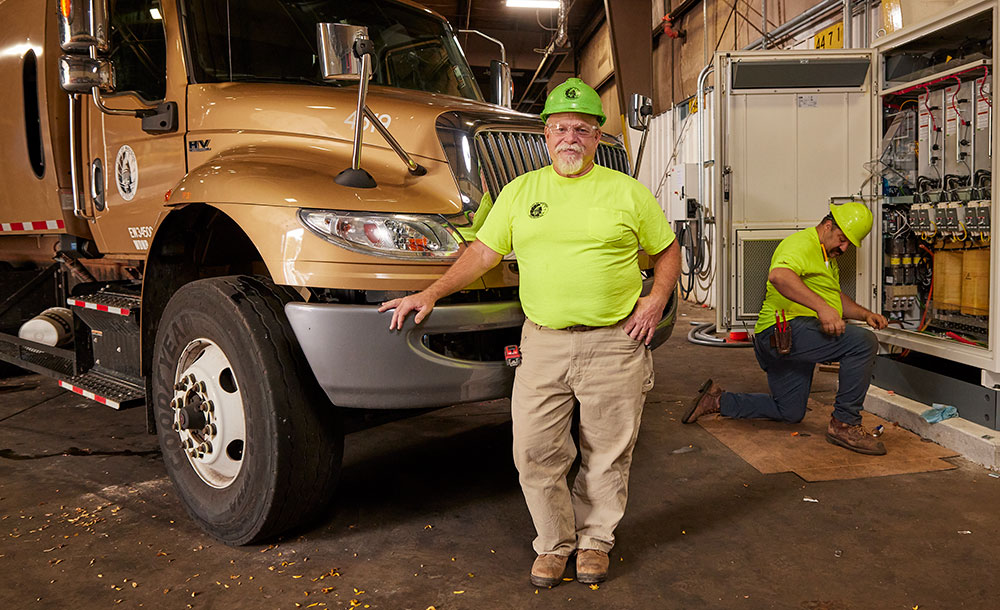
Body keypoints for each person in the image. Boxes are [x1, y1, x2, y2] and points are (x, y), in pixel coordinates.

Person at [379, 77, 680, 587]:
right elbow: (483, 252)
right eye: (561, 128)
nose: (570, 137)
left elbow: (667, 248)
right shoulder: (521, 192)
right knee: (534, 451)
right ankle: (555, 542)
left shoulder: (627, 193)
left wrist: (655, 300)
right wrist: (431, 292)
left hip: (615, 342)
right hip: (543, 341)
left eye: (582, 129)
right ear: (546, 135)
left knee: (608, 451)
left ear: (596, 138)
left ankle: (594, 541)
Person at [682, 202, 889, 455]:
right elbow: (779, 276)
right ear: (827, 226)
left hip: (792, 339)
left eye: (849, 244)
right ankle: (845, 424)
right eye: (842, 239)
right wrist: (822, 309)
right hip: (782, 332)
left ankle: (717, 400)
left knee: (789, 411)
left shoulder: (826, 258)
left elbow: (835, 299)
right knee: (863, 343)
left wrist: (865, 314)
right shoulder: (802, 244)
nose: (844, 248)